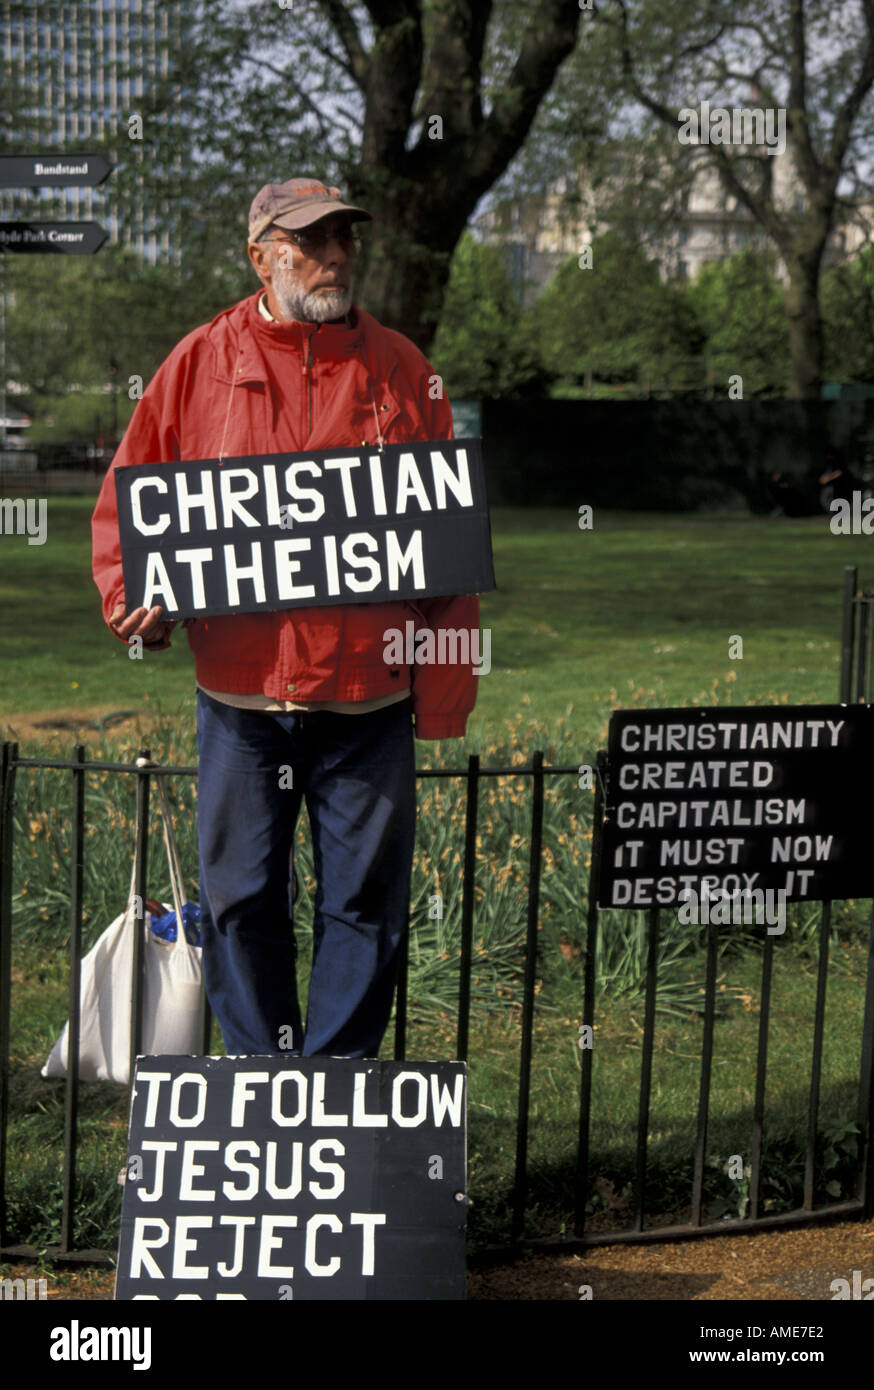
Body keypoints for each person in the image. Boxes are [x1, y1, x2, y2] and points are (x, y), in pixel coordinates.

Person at [92, 177, 480, 1058]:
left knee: (365, 908)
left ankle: (336, 1087)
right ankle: (264, 1087)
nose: (335, 256)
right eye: (310, 242)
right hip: (242, 702)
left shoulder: (408, 372)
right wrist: (134, 607)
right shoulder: (197, 362)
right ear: (261, 254)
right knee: (239, 901)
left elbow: (449, 554)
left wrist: (442, 693)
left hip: (368, 701)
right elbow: (130, 502)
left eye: (344, 238)